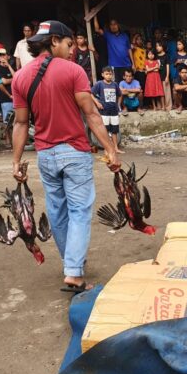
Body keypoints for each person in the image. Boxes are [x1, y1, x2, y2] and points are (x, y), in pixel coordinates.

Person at [11, 20, 121, 293]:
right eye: (69, 44)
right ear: (54, 41)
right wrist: (110, 148)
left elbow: (21, 124)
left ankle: (71, 265)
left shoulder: (21, 77)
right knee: (80, 211)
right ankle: (73, 271)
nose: (72, 50)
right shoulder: (73, 71)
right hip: (74, 153)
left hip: (45, 154)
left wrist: (15, 162)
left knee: (58, 213)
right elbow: (91, 114)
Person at [91, 66, 124, 154]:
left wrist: (118, 104)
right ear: (103, 75)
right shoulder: (99, 84)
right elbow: (91, 94)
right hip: (104, 111)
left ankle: (115, 148)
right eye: (107, 74)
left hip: (114, 111)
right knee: (105, 130)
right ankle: (107, 148)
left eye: (110, 74)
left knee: (114, 130)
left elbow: (120, 95)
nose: (109, 76)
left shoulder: (115, 84)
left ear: (112, 75)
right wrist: (97, 103)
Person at [93, 17, 132, 82]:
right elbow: (97, 29)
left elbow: (129, 49)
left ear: (118, 25)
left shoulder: (124, 36)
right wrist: (95, 16)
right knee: (115, 85)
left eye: (115, 24)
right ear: (109, 27)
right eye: (111, 25)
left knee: (127, 84)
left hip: (126, 64)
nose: (113, 26)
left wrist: (133, 63)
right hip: (114, 65)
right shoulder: (108, 35)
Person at [0, 48, 15, 127]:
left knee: (17, 123)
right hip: (6, 98)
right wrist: (14, 79)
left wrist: (8, 65)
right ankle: (8, 139)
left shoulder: (12, 66)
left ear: (8, 57)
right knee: (8, 123)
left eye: (3, 55)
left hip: (16, 97)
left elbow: (17, 78)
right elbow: (4, 81)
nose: (1, 57)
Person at [155, 41, 171, 110]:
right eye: (156, 46)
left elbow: (167, 66)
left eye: (159, 46)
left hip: (164, 75)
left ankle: (168, 106)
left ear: (163, 46)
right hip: (157, 76)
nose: (157, 48)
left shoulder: (166, 56)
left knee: (166, 91)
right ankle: (160, 106)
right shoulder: (155, 56)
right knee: (159, 92)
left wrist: (167, 76)